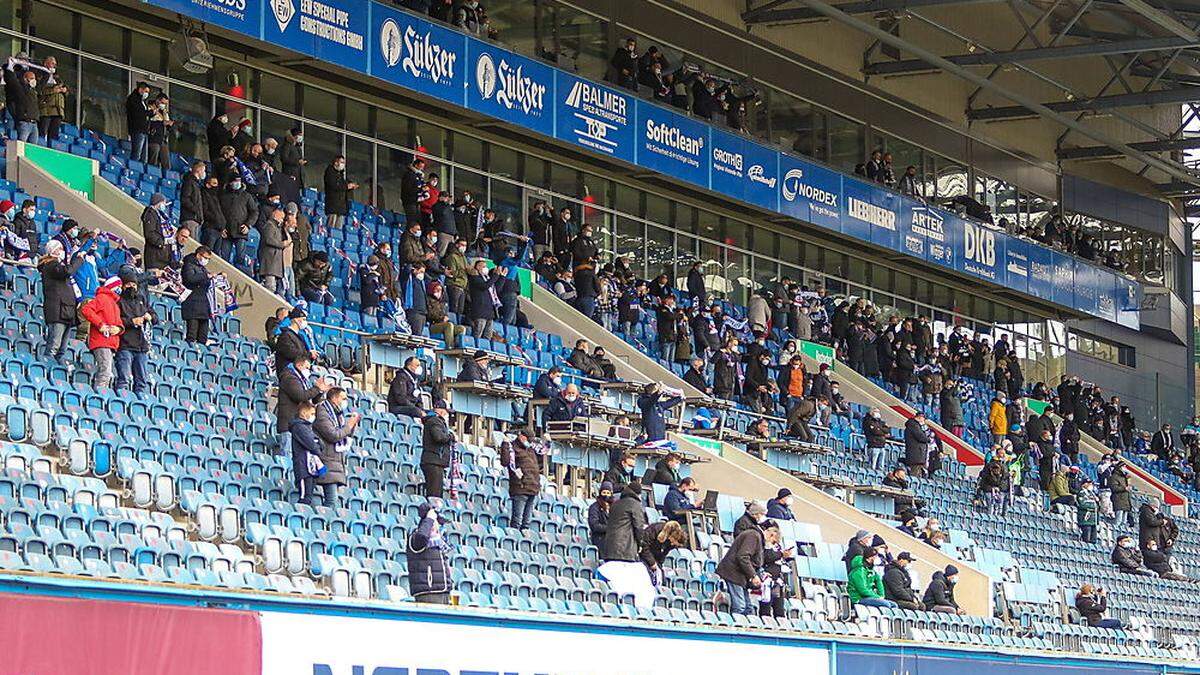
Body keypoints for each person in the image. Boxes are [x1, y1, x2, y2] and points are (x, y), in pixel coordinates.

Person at [599, 482, 656, 607]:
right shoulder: (635, 505)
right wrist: (642, 544)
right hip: (625, 550)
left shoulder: (616, 503)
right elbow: (639, 527)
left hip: (609, 547)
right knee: (624, 582)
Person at [276, 353, 330, 458]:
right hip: (289, 426)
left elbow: (313, 399)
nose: (308, 371)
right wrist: (317, 389)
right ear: (299, 365)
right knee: (288, 457)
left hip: (301, 426)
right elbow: (300, 396)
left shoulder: (303, 379)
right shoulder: (289, 377)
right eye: (307, 367)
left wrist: (320, 390)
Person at [313, 387, 359, 507]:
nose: (345, 401)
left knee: (333, 500)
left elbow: (343, 435)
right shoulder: (322, 411)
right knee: (332, 501)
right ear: (334, 398)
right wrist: (349, 426)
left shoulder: (338, 414)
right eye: (343, 398)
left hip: (335, 462)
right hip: (327, 460)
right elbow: (333, 435)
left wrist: (352, 426)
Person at [38, 239, 83, 362]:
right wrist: (78, 260)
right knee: (54, 346)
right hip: (58, 311)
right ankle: (46, 367)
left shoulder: (57, 266)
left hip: (66, 311)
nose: (61, 251)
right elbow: (68, 271)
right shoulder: (51, 265)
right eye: (59, 249)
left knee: (62, 349)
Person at [113, 270, 156, 394]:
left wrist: (150, 316)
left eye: (134, 284)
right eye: (128, 284)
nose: (131, 287)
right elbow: (116, 321)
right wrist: (132, 321)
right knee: (124, 379)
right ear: (123, 285)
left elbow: (155, 317)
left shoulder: (142, 300)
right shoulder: (118, 301)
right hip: (125, 345)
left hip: (142, 347)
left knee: (142, 381)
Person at [717, 518, 771, 615]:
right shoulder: (753, 536)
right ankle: (735, 628)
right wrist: (753, 575)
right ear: (770, 533)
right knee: (740, 607)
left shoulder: (755, 536)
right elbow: (743, 557)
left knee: (748, 608)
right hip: (733, 574)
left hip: (741, 576)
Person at [406, 500, 452, 604]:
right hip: (428, 593)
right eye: (436, 521)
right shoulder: (415, 538)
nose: (438, 525)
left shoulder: (437, 542)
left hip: (442, 592)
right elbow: (422, 536)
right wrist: (430, 518)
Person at [80, 283, 122, 390]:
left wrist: (118, 329)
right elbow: (86, 309)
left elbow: (119, 324)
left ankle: (102, 394)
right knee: (105, 372)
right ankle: (99, 395)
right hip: (101, 341)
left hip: (111, 342)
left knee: (107, 373)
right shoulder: (102, 298)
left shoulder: (115, 304)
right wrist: (100, 324)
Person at [289, 401, 324, 505]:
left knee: (310, 495)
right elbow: (311, 444)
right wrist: (317, 447)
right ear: (304, 413)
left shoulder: (308, 427)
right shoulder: (299, 427)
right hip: (303, 467)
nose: (314, 416)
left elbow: (321, 444)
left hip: (311, 466)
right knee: (305, 496)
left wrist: (317, 445)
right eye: (312, 413)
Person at [639, 519, 687, 590]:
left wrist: (659, 564)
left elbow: (663, 554)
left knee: (662, 578)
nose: (673, 544)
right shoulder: (655, 529)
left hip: (655, 558)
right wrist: (652, 563)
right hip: (643, 555)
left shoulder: (671, 543)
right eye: (674, 542)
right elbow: (644, 545)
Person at [180, 246, 214, 345]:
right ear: (198, 255)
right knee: (192, 335)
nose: (206, 260)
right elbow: (190, 279)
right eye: (205, 257)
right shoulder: (188, 265)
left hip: (203, 306)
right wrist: (206, 276)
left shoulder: (202, 268)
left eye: (208, 259)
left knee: (203, 336)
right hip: (192, 304)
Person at [323, 155, 357, 228]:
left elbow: (342, 186)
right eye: (341, 162)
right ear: (335, 162)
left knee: (338, 230)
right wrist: (347, 186)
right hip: (332, 205)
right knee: (331, 227)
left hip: (341, 207)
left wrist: (350, 187)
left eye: (343, 163)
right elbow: (334, 185)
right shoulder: (330, 172)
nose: (342, 164)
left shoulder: (340, 175)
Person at [125, 81, 151, 160]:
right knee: (137, 153)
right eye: (146, 91)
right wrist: (149, 112)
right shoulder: (133, 99)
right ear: (140, 90)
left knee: (144, 157)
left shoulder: (142, 101)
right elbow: (138, 113)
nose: (147, 94)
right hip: (137, 129)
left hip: (144, 130)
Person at [903, 412, 931, 477]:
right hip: (915, 456)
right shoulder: (913, 426)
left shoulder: (916, 426)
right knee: (915, 475)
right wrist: (928, 439)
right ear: (920, 417)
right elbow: (921, 437)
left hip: (919, 456)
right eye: (923, 419)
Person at [588, 481, 614, 549]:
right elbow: (594, 525)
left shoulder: (614, 507)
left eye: (608, 493)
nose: (606, 495)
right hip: (600, 539)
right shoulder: (594, 507)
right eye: (604, 492)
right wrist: (609, 528)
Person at [863, 407, 890, 472]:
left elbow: (887, 430)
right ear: (871, 412)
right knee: (872, 465)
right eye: (876, 411)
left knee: (881, 466)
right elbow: (875, 431)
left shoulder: (880, 421)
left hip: (882, 446)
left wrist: (879, 429)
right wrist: (883, 432)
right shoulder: (868, 421)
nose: (878, 413)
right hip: (873, 445)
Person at [1076, 478, 1100, 544]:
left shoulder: (1092, 494)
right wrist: (1093, 506)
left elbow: (1098, 506)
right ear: (1084, 484)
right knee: (1086, 539)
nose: (1090, 485)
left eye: (1091, 483)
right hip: (1086, 519)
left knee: (1093, 540)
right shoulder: (1082, 493)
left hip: (1094, 520)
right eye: (1088, 483)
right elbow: (1082, 504)